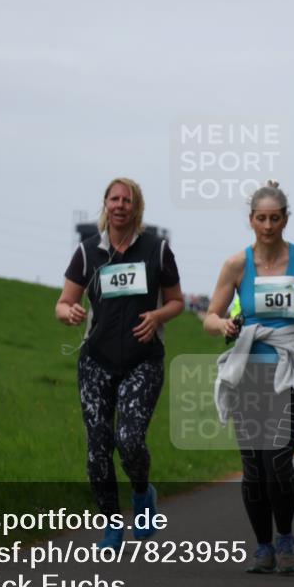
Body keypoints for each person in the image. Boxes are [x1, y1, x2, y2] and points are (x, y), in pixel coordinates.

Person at [205, 180, 294, 575]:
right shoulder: (236, 265)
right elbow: (210, 316)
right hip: (249, 373)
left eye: (274, 218)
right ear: (250, 220)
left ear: (285, 220)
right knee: (254, 466)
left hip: (292, 370)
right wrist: (223, 325)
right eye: (261, 218)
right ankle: (263, 546)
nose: (267, 226)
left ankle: (286, 537)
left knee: (277, 458)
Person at [55, 177, 184, 549]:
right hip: (96, 361)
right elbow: (62, 303)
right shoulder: (88, 252)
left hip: (143, 360)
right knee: (97, 448)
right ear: (106, 204)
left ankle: (142, 494)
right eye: (114, 199)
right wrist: (69, 313)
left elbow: (176, 301)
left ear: (136, 207)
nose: (120, 205)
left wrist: (158, 316)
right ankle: (111, 525)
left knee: (129, 440)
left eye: (127, 200)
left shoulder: (157, 250)